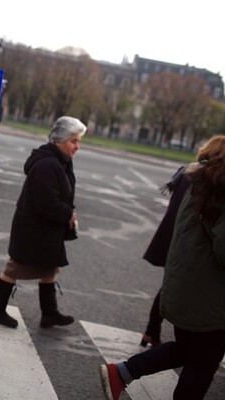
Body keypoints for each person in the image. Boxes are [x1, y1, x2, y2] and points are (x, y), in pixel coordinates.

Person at [100, 135, 225, 400]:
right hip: (210, 298)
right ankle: (122, 372)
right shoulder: (220, 190)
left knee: (187, 350)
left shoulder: (198, 181)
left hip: (185, 286)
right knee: (202, 364)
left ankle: (122, 372)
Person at [0, 116, 86, 329]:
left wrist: (68, 211)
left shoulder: (61, 161)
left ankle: (49, 313)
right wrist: (68, 214)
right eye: (73, 141)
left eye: (78, 141)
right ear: (58, 140)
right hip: (34, 230)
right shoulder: (48, 164)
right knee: (14, 268)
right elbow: (46, 203)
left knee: (50, 268)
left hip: (45, 229)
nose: (77, 146)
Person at [139, 165, 190, 347]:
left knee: (170, 286)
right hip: (188, 242)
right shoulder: (205, 177)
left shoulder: (188, 172)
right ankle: (155, 332)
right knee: (180, 289)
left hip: (173, 236)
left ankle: (151, 331)